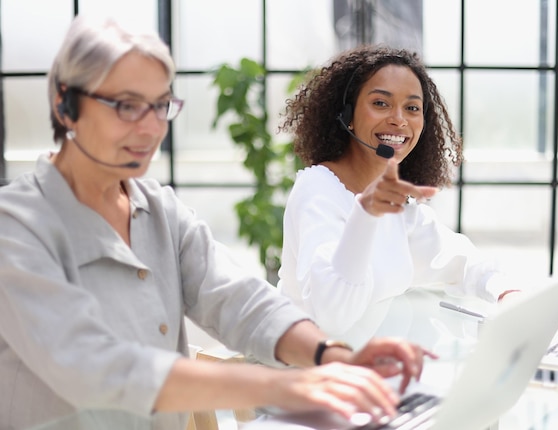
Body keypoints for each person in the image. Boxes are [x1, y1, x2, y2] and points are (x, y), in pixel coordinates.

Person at [0, 18, 436, 430]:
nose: (150, 128)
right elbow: (92, 365)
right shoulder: (16, 225)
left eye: (159, 106)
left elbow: (240, 301)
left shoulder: (160, 212)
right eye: (126, 106)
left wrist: (331, 355)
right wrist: (289, 384)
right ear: (65, 102)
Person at [277, 45, 521, 349]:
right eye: (381, 103)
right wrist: (365, 215)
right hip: (311, 375)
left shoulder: (395, 201)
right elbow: (333, 317)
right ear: (347, 115)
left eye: (412, 108)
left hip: (370, 366)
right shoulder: (318, 190)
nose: (399, 119)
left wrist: (507, 293)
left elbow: (459, 258)